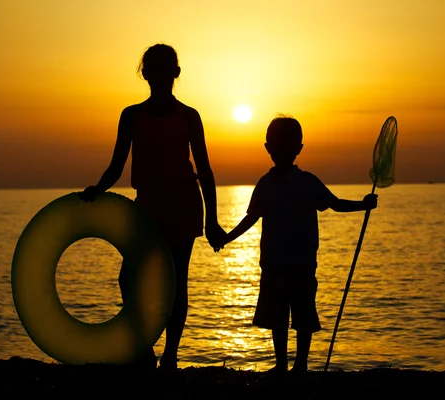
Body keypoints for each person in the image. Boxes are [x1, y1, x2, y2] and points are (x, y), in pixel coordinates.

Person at [79, 43, 226, 370]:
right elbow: (116, 166)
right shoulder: (131, 115)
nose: (159, 75)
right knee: (129, 278)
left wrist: (213, 220)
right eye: (153, 69)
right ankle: (144, 347)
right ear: (145, 74)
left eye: (165, 69)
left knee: (176, 282)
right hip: (147, 206)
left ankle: (170, 355)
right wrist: (97, 189)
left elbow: (204, 169)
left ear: (175, 73)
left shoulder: (189, 116)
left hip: (184, 204)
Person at [214, 116, 378, 373]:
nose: (280, 150)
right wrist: (226, 238)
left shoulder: (306, 182)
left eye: (286, 144)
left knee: (302, 314)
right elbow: (251, 218)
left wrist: (362, 204)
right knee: (277, 316)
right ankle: (282, 364)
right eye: (277, 144)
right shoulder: (265, 184)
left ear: (298, 148)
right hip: (273, 263)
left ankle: (300, 364)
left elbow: (334, 204)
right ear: (268, 147)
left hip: (301, 263)